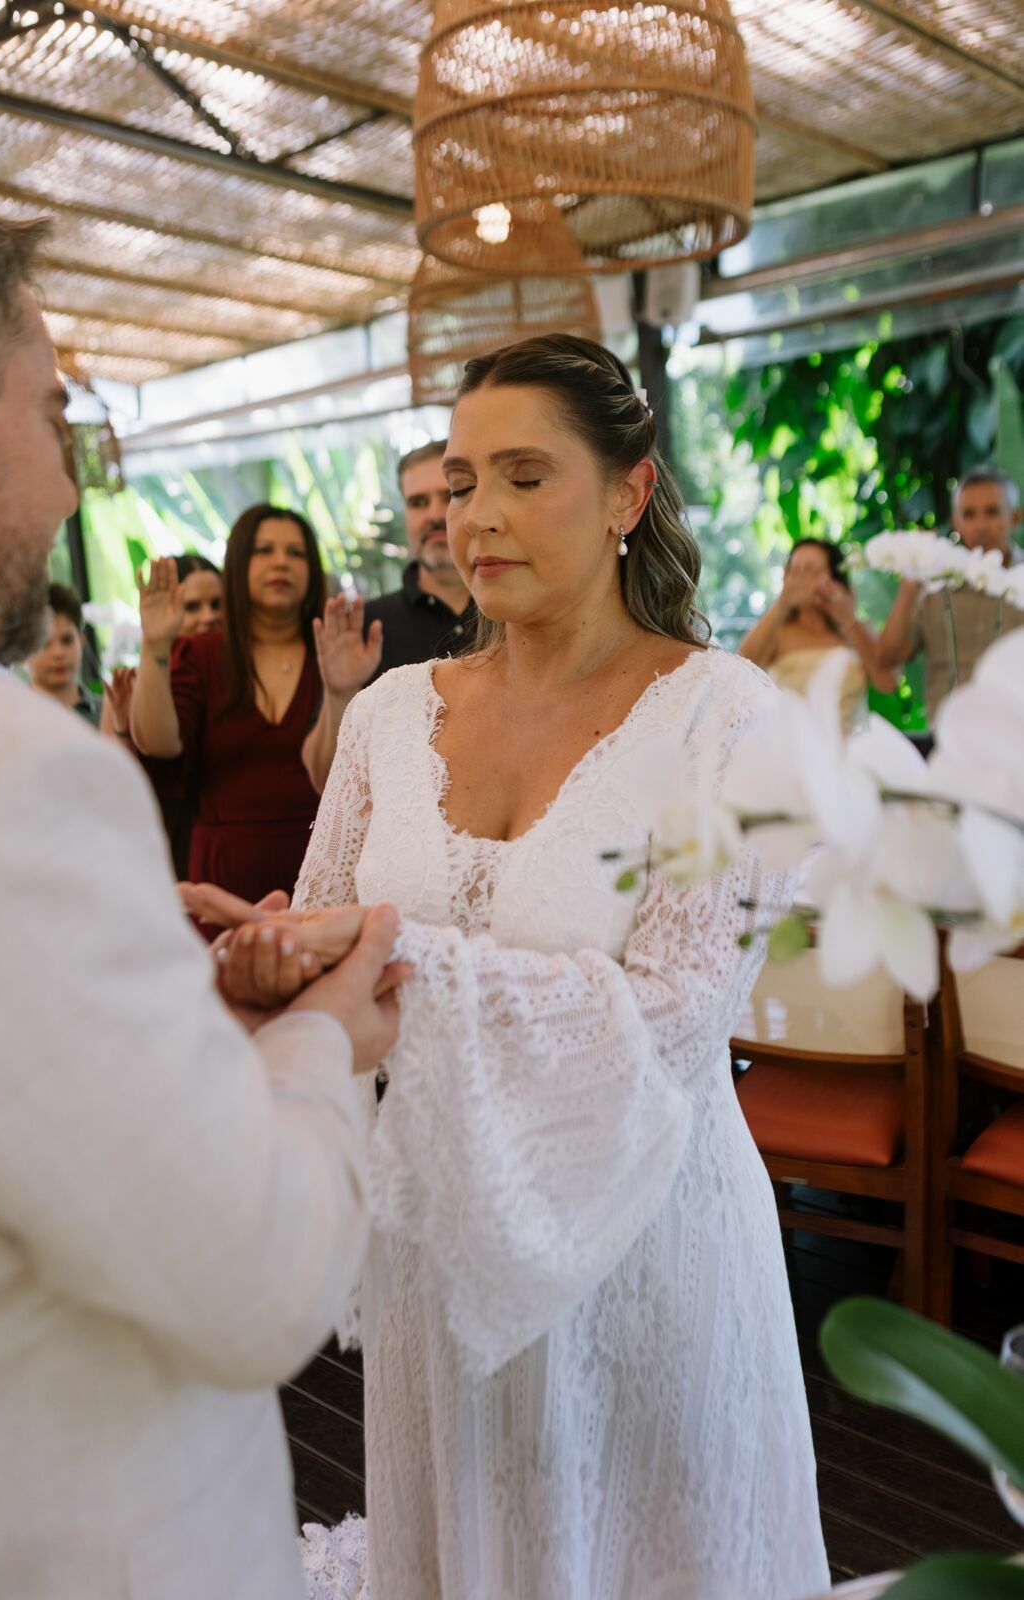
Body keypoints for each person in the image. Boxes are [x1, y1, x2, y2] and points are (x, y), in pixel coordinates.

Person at [274, 334, 828, 1599]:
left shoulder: (726, 716)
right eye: (463, 483)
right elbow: (323, 945)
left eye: (526, 476)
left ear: (628, 493)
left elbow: (679, 1020)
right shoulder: (385, 716)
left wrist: (394, 953)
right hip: (434, 1250)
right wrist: (264, 952)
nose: (477, 518)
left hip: (645, 1245)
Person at [0, 201, 407, 1599]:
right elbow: (254, 1280)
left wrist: (163, 988)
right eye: (56, 415)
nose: (73, 485)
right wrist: (316, 1039)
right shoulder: (17, 776)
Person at [131, 507, 325, 905]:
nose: (280, 562)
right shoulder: (200, 655)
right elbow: (158, 743)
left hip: (324, 866)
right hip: (224, 878)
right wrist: (155, 644)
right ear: (237, 565)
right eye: (264, 550)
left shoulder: (336, 654)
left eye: (296, 553)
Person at [303, 440, 476, 793]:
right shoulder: (364, 628)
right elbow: (324, 782)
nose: (432, 514)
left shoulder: (518, 615)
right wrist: (339, 693)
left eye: (450, 495)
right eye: (418, 502)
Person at [103, 554, 224, 876]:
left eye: (217, 604)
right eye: (192, 607)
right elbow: (113, 788)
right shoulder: (128, 684)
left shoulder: (240, 681)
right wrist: (122, 725)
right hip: (159, 846)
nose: (208, 617)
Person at [873, 467, 1024, 721]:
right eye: (969, 514)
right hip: (947, 744)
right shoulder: (933, 586)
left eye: (992, 512)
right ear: (956, 522)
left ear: (1015, 517)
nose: (981, 525)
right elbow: (887, 658)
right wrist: (909, 587)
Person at [738, 537, 897, 730]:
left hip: (850, 748)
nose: (802, 580)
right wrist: (782, 605)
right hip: (792, 747)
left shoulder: (856, 629)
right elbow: (741, 670)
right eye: (796, 571)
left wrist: (848, 619)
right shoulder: (777, 631)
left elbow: (888, 682)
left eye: (812, 571)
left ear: (835, 578)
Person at [25, 580, 102, 725]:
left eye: (67, 640)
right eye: (44, 644)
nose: (58, 653)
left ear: (81, 642)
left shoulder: (111, 715)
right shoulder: (14, 718)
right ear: (23, 653)